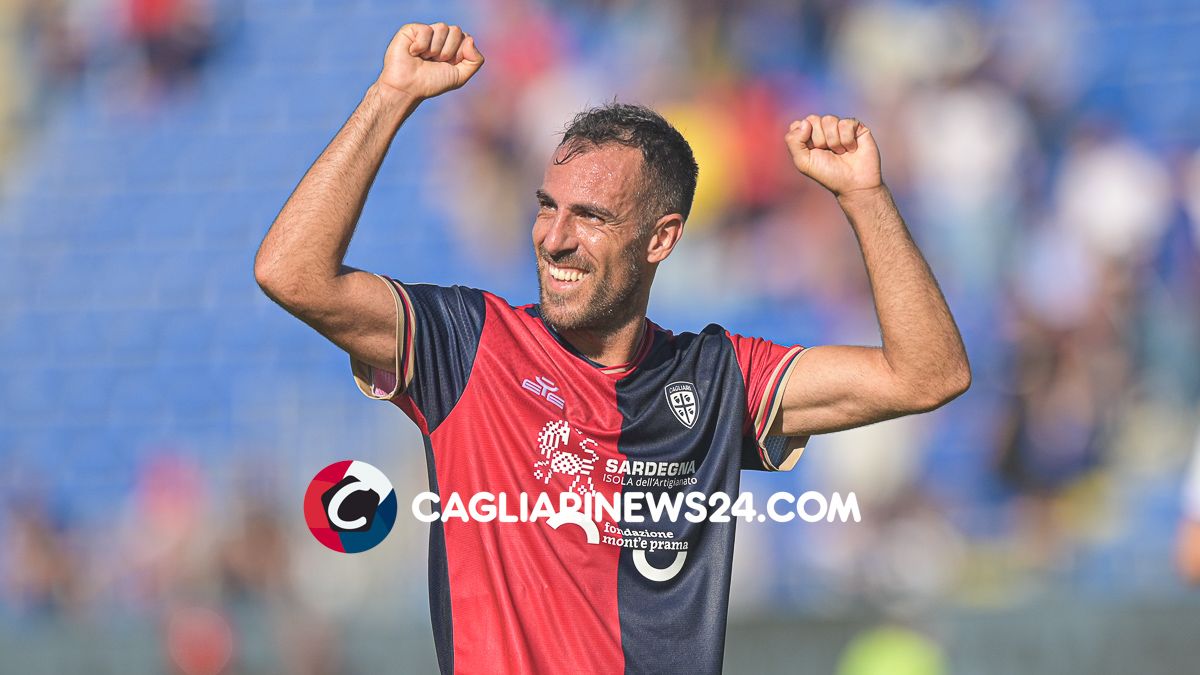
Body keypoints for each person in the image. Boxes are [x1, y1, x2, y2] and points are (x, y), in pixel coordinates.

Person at [254, 21, 970, 675]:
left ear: (660, 238)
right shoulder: (466, 343)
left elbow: (927, 374)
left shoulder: (719, 379)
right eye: (547, 206)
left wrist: (865, 197)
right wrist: (391, 96)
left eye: (589, 216)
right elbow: (292, 273)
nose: (555, 237)